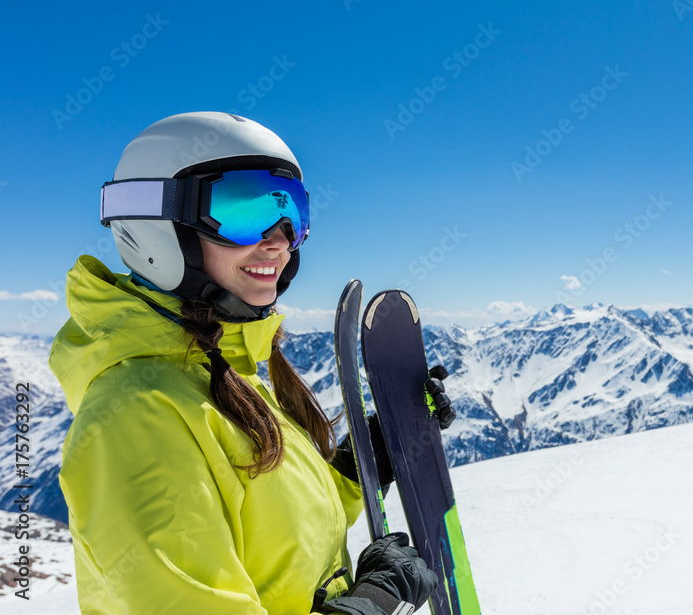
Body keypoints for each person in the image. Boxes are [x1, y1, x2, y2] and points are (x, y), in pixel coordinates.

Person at [49, 112, 442, 614]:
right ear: (157, 226)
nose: (277, 241)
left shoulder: (230, 371)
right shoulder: (134, 415)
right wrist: (373, 602)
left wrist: (366, 460)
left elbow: (278, 533)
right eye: (243, 210)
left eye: (290, 214)